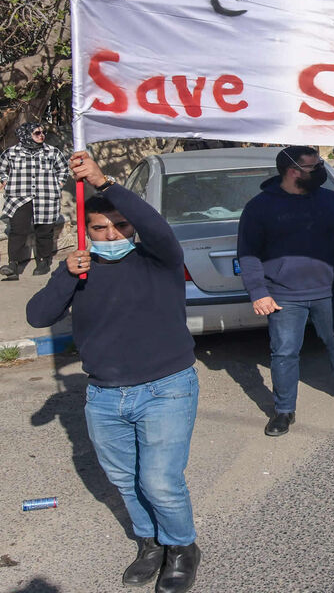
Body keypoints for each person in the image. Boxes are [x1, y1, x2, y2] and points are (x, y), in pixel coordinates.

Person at [27, 152, 201, 593]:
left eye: (121, 226)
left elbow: (156, 226)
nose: (112, 234)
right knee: (125, 480)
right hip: (105, 396)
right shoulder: (79, 270)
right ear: (86, 232)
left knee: (159, 480)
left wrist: (104, 182)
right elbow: (37, 315)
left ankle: (182, 547)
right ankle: (150, 545)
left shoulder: (157, 259)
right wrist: (66, 274)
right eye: (101, 228)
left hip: (167, 389)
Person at [238, 146, 334, 436]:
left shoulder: (329, 201)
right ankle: (284, 410)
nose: (321, 171)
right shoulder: (260, 207)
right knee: (284, 353)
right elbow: (247, 253)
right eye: (314, 167)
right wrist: (258, 292)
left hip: (328, 289)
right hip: (283, 295)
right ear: (292, 171)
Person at [0, 122, 69, 280]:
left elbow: (63, 169)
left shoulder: (52, 152)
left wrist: (58, 184)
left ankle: (43, 261)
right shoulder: (11, 153)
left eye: (42, 132)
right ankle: (13, 265)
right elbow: (1, 168)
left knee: (44, 230)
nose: (41, 135)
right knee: (17, 231)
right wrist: (4, 180)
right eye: (37, 133)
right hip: (19, 197)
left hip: (46, 196)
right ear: (26, 135)